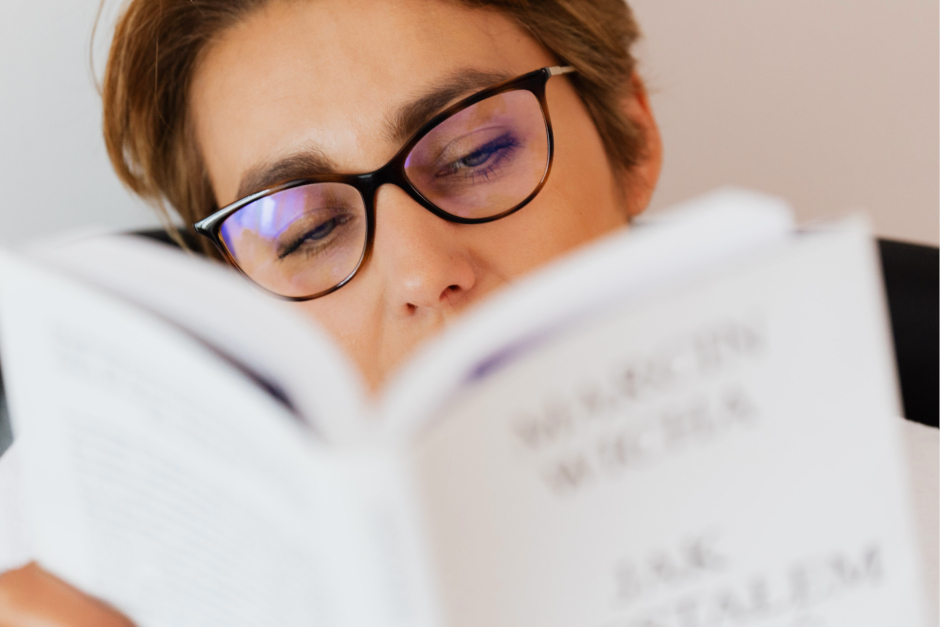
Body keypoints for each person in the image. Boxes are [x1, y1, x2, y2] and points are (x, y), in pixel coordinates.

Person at [0, 0, 934, 624]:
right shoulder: (68, 528)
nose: (419, 270)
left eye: (478, 151)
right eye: (303, 229)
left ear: (632, 137)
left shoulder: (909, 526)